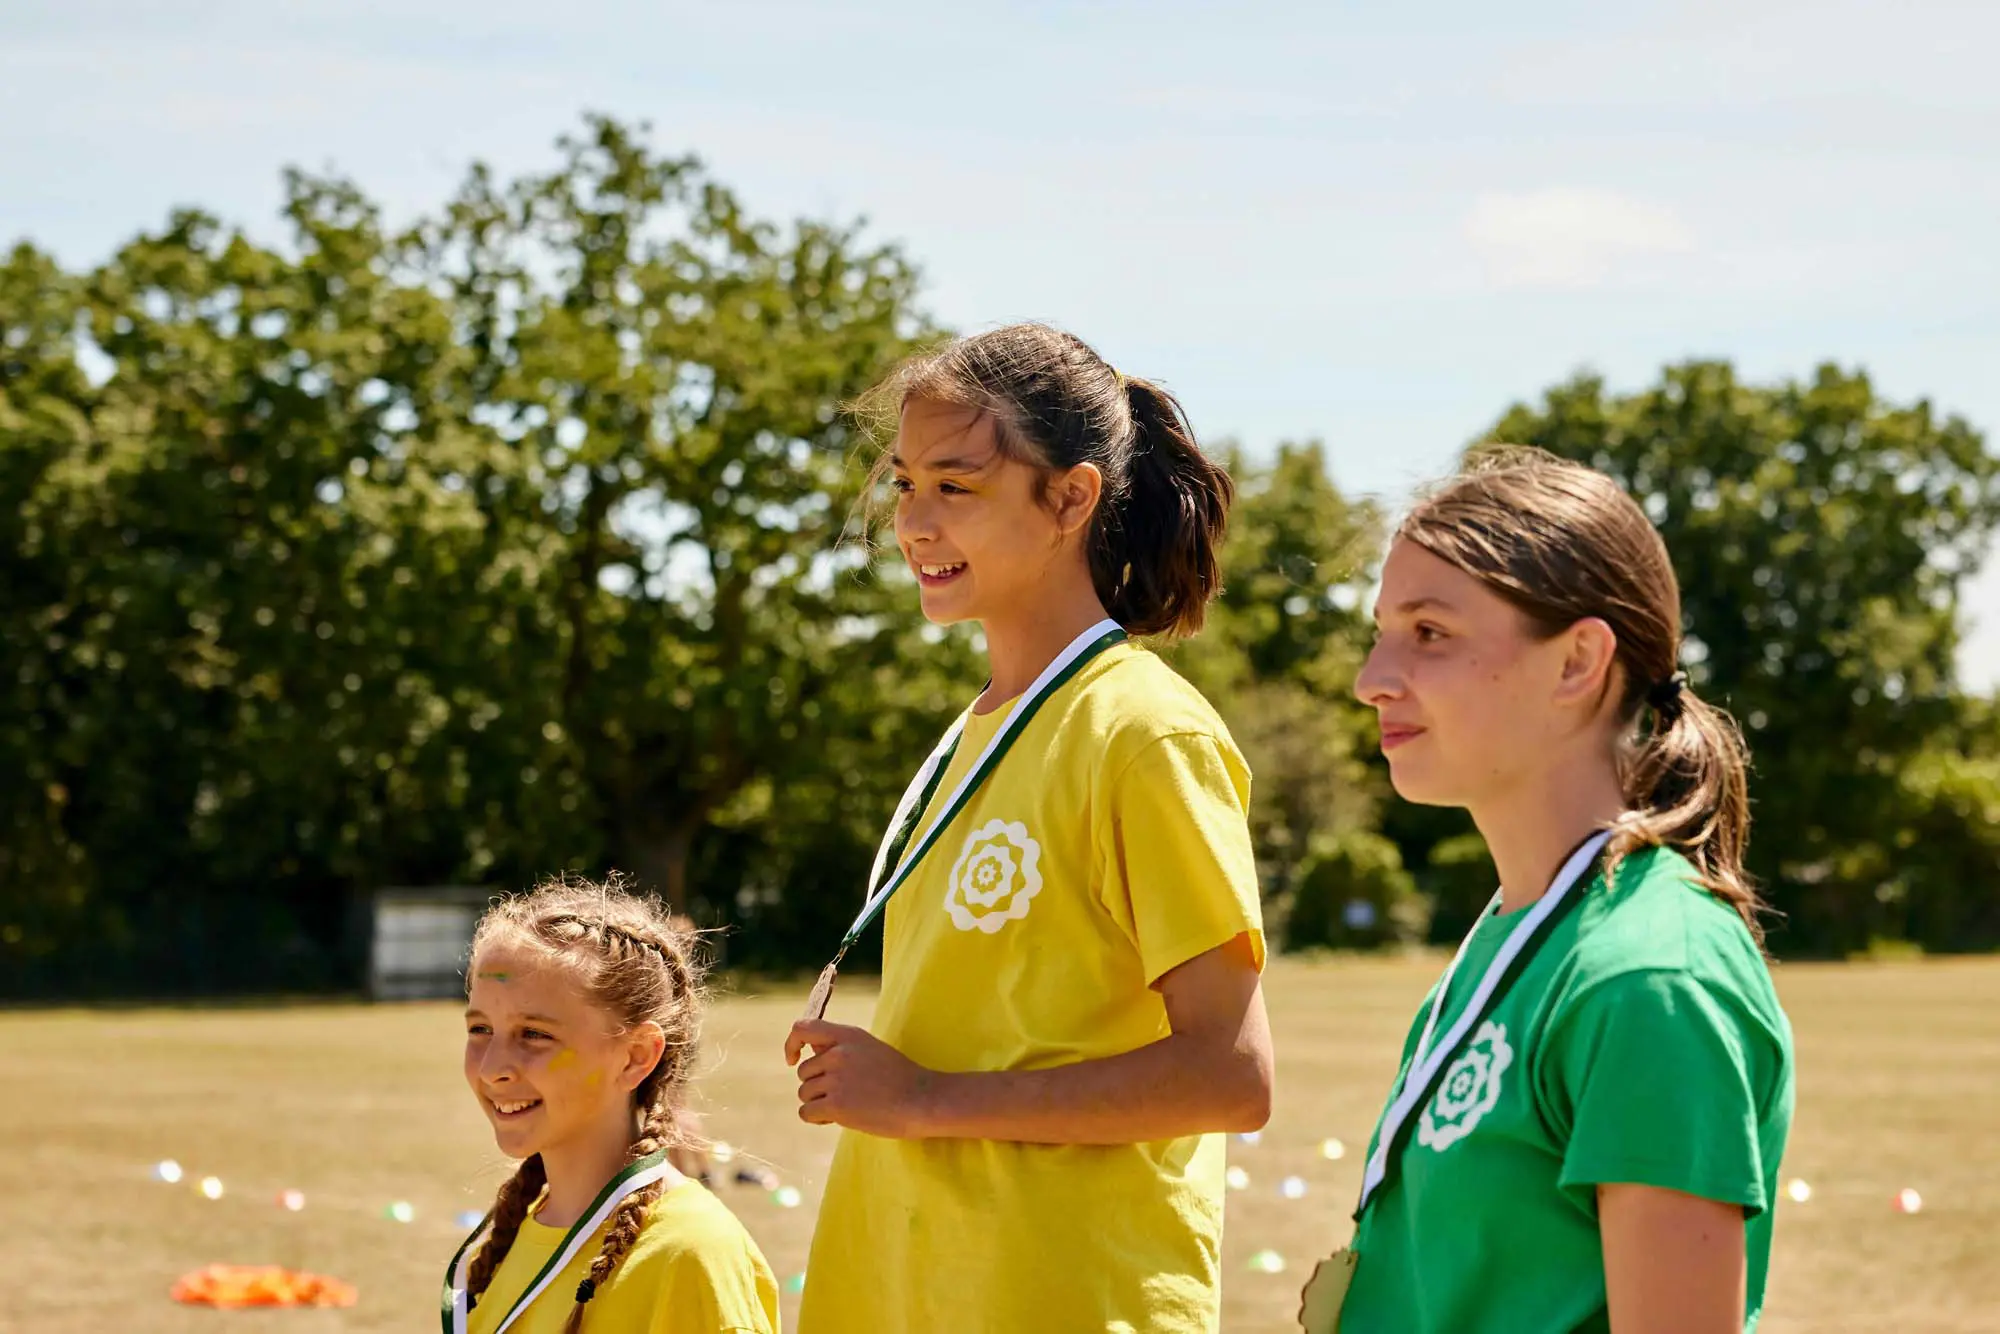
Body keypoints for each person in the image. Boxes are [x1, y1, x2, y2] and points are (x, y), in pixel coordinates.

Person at [783, 323, 1275, 1334]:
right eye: (903, 482)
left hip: (1067, 1297)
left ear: (1069, 497)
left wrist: (921, 1097)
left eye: (954, 486)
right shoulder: (972, 734)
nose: (912, 522)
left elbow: (1231, 1074)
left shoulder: (1145, 730)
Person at [1326, 449, 1795, 1333]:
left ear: (1578, 662)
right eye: (1381, 631)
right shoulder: (1525, 925)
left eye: (1429, 633)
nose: (1371, 678)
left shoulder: (1649, 976)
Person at [445, 875, 779, 1334]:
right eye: (480, 1029)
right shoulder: (511, 1236)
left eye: (535, 1035)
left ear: (635, 1056)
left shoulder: (691, 1253)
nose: (492, 1068)